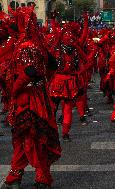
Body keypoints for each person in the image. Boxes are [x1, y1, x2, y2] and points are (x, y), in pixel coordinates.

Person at [4, 6, 61, 189]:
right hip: (38, 97)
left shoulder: (25, 47)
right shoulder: (37, 44)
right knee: (31, 138)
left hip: (28, 100)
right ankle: (23, 176)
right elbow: (52, 66)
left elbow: (28, 73)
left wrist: (14, 89)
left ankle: (31, 177)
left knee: (30, 139)